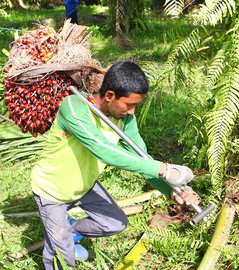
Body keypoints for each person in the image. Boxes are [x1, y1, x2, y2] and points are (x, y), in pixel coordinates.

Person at [30, 60, 201, 269]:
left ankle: (69, 231)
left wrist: (173, 190)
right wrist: (165, 169)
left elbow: (142, 159)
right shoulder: (74, 107)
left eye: (136, 105)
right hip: (52, 191)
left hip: (85, 186)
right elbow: (103, 149)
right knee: (61, 257)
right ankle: (62, 242)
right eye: (129, 104)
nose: (132, 111)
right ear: (109, 95)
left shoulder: (125, 120)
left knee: (115, 223)